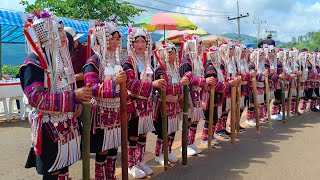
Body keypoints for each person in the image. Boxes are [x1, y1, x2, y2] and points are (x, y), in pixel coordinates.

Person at [20, 10, 92, 179]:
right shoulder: (34, 62)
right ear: (44, 35)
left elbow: (68, 88)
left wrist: (77, 104)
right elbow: (37, 98)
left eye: (61, 31)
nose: (63, 36)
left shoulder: (60, 61)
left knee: (64, 168)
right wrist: (74, 97)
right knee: (53, 171)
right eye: (57, 31)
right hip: (49, 128)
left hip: (66, 124)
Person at [83, 20, 128, 180]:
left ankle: (111, 176)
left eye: (117, 39)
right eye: (111, 38)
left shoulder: (117, 60)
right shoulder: (94, 61)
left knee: (114, 147)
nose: (115, 42)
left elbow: (124, 87)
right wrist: (114, 83)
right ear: (102, 38)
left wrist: (127, 107)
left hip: (116, 110)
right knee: (102, 149)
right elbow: (90, 87)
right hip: (101, 112)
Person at [122, 27, 166, 179]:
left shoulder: (148, 60)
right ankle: (131, 165)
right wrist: (152, 85)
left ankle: (140, 161)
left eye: (143, 41)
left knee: (143, 133)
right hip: (134, 103)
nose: (140, 45)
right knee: (133, 135)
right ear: (131, 43)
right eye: (137, 42)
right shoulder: (127, 61)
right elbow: (129, 83)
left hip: (147, 103)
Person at [179, 36, 215, 155]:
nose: (200, 48)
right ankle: (184, 145)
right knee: (188, 120)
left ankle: (191, 142)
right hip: (189, 94)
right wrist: (204, 81)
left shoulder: (198, 60)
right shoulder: (186, 60)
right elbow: (186, 78)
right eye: (197, 46)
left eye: (201, 46)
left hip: (198, 94)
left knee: (195, 120)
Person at [153, 42, 187, 165]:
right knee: (163, 130)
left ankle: (168, 151)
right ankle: (159, 154)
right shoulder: (160, 70)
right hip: (164, 105)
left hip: (174, 104)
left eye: (175, 53)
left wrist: (180, 92)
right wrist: (179, 86)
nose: (174, 55)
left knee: (172, 130)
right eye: (171, 53)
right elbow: (163, 88)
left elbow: (178, 85)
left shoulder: (175, 69)